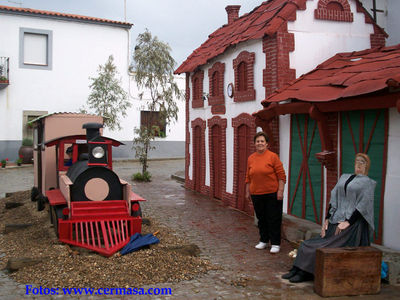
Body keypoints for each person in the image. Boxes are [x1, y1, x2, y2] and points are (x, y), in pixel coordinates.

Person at [282, 153, 376, 283]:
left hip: (351, 227)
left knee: (320, 248)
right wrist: (326, 219)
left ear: (368, 166)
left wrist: (348, 222)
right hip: (335, 220)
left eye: (363, 162)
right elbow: (334, 199)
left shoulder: (368, 183)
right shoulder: (345, 177)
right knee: (307, 244)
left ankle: (305, 273)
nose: (359, 165)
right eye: (357, 161)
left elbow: (363, 205)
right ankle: (296, 269)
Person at [245, 131, 286, 254]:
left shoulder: (273, 157)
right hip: (256, 194)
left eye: (262, 141)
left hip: (272, 193)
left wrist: (280, 190)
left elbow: (281, 175)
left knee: (273, 218)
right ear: (254, 144)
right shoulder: (251, 158)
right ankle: (263, 240)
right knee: (261, 219)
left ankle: (275, 243)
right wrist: (247, 192)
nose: (260, 143)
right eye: (258, 141)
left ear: (267, 144)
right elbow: (248, 176)